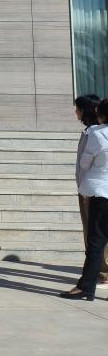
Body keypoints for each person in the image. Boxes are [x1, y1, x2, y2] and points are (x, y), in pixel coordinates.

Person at [62, 95, 108, 298]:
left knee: (95, 243)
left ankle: (86, 287)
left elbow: (84, 163)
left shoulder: (96, 134)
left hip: (100, 192)